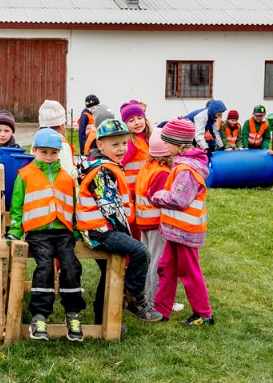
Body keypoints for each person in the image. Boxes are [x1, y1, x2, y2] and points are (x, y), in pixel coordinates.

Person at [76, 119, 162, 324]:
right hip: (98, 230)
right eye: (115, 145)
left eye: (124, 143)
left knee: (108, 272)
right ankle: (134, 298)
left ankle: (101, 320)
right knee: (140, 252)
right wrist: (126, 237)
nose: (122, 148)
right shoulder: (103, 171)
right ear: (100, 145)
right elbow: (112, 210)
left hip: (100, 228)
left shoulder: (109, 165)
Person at [6, 128, 86, 342]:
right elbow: (17, 206)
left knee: (71, 266)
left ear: (59, 153)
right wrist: (15, 231)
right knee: (45, 268)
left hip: (63, 232)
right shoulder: (25, 175)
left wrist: (77, 230)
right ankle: (39, 316)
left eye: (53, 153)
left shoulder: (67, 178)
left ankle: (73, 314)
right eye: (44, 152)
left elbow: (73, 206)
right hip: (38, 232)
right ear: (33, 150)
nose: (49, 157)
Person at [151, 119, 214, 326]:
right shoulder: (182, 165)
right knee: (166, 267)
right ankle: (160, 309)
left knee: (189, 273)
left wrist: (157, 195)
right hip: (175, 231)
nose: (165, 146)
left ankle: (203, 314)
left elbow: (179, 199)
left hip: (185, 232)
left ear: (178, 145)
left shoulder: (186, 170)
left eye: (167, 143)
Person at [135, 129, 172, 302]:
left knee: (149, 260)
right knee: (158, 262)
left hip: (144, 221)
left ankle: (147, 295)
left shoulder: (147, 166)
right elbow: (159, 198)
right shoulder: (162, 172)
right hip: (156, 223)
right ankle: (157, 300)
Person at [120, 100, 151, 240]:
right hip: (132, 192)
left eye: (139, 118)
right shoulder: (130, 142)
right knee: (135, 226)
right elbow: (119, 163)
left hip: (145, 190)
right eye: (131, 120)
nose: (137, 122)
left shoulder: (148, 138)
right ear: (125, 124)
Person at [38, 100, 78, 180]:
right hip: (60, 189)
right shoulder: (61, 144)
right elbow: (68, 172)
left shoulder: (37, 142)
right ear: (62, 125)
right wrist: (77, 171)